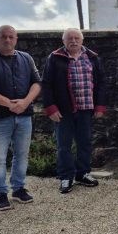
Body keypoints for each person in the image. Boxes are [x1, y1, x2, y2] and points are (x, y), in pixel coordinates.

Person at [0, 25, 41, 211]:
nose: (7, 40)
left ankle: (18, 189)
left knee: (21, 155)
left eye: (11, 36)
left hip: (24, 116)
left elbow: (36, 82)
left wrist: (26, 102)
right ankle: (1, 193)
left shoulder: (26, 58)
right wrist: (11, 104)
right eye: (3, 36)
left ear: (16, 38)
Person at [42, 28, 107, 194]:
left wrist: (100, 106)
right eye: (69, 38)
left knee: (84, 142)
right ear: (63, 41)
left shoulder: (92, 57)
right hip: (64, 110)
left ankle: (83, 173)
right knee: (64, 145)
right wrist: (51, 108)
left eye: (76, 38)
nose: (73, 41)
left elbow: (101, 83)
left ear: (82, 40)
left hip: (86, 109)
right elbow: (47, 84)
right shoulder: (55, 58)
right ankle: (65, 177)